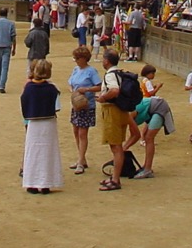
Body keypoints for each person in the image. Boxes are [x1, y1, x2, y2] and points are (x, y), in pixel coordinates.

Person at [21, 59, 62, 194]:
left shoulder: (29, 88)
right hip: (49, 123)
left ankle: (32, 182)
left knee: (33, 151)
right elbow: (57, 108)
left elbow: (24, 104)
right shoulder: (52, 89)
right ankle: (46, 183)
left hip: (34, 123)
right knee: (48, 152)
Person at [97, 49, 127, 190]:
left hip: (111, 110)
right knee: (117, 145)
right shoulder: (119, 73)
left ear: (107, 61)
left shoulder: (110, 75)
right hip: (121, 110)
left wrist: (103, 97)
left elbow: (114, 90)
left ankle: (115, 179)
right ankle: (115, 177)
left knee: (115, 146)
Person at [69, 45, 102, 174]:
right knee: (76, 131)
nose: (76, 60)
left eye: (77, 58)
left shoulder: (91, 71)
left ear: (84, 59)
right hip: (77, 104)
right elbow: (70, 83)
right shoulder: (76, 69)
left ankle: (81, 160)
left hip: (87, 105)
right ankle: (81, 158)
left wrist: (87, 90)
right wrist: (73, 91)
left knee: (83, 133)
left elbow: (99, 86)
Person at [127, 93, 176, 179]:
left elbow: (136, 136)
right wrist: (124, 147)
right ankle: (146, 166)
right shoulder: (127, 117)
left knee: (149, 138)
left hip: (159, 107)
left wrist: (124, 147)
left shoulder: (130, 114)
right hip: (151, 110)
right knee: (147, 137)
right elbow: (133, 135)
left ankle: (147, 169)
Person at [0, 7, 17, 93]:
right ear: (7, 13)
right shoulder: (11, 24)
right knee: (5, 67)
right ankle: (2, 85)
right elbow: (13, 38)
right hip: (7, 46)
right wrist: (14, 48)